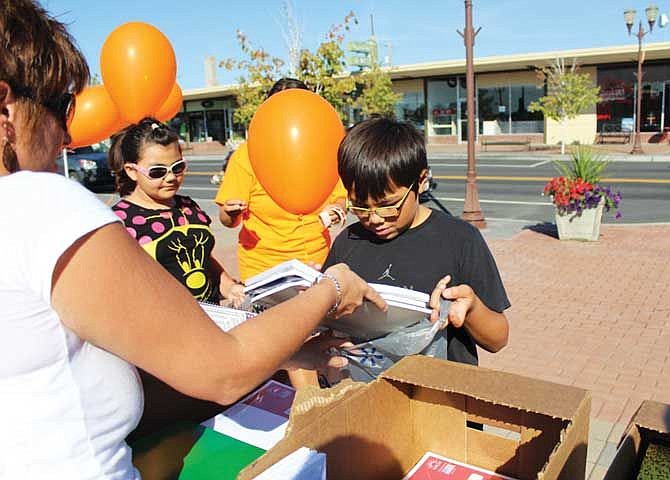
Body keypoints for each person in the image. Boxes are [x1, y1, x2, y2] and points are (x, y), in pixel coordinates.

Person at [0, 2, 386, 478]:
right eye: (62, 108)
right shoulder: (37, 203)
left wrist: (277, 352)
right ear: (5, 108)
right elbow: (222, 369)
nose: (66, 135)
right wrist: (332, 288)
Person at [323, 117, 510, 380]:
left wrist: (472, 309)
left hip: (443, 403)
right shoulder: (348, 242)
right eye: (360, 206)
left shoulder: (461, 240)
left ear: (421, 181)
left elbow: (498, 338)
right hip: (366, 399)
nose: (375, 218)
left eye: (388, 205)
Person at [215, 78, 347, 283]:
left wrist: (337, 210)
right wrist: (231, 213)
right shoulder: (246, 155)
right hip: (264, 269)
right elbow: (227, 220)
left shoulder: (326, 150)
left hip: (316, 263)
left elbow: (340, 197)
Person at [109, 117, 244, 308]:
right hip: (160, 328)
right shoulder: (119, 222)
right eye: (158, 172)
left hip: (209, 321)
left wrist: (229, 287)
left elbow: (203, 259)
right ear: (131, 171)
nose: (171, 177)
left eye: (178, 167)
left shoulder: (188, 206)